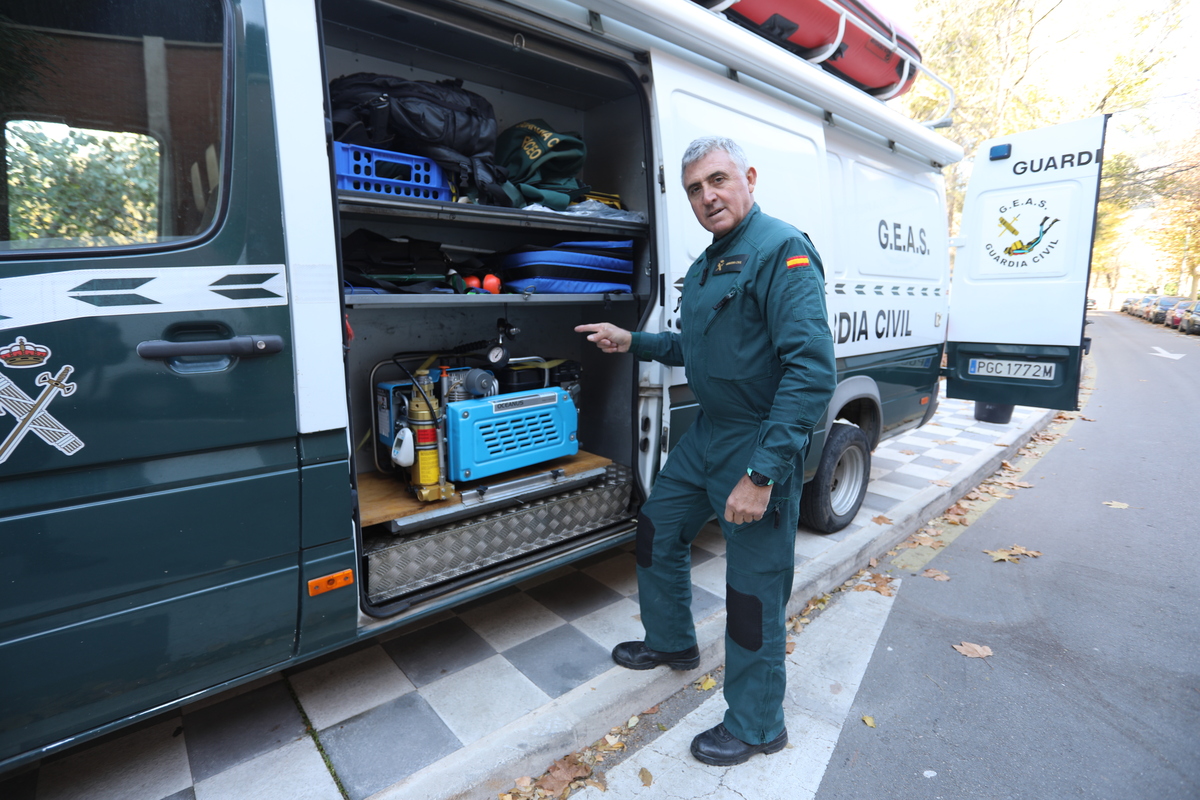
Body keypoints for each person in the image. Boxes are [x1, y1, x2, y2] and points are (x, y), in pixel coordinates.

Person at [575, 137, 836, 766]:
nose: (706, 197)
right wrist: (631, 340)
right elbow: (696, 347)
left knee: (752, 590)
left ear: (747, 177)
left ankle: (756, 724)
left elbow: (810, 370)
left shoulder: (782, 250)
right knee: (657, 527)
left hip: (757, 437)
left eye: (717, 180)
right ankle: (671, 643)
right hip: (708, 432)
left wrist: (764, 472)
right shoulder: (707, 264)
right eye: (694, 188)